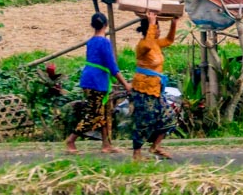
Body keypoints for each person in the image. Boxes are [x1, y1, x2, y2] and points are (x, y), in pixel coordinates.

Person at [65, 12, 131, 154]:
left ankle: (106, 145)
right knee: (94, 115)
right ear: (106, 25)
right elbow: (112, 66)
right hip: (96, 82)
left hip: (90, 79)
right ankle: (71, 140)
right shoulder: (104, 42)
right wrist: (126, 84)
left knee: (106, 113)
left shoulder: (91, 41)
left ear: (92, 26)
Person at [131, 9, 178, 161]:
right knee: (144, 121)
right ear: (150, 29)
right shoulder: (143, 45)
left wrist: (173, 24)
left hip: (155, 90)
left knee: (169, 117)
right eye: (157, 28)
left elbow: (169, 41)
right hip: (143, 90)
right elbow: (149, 43)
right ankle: (136, 154)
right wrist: (152, 23)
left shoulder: (156, 44)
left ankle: (155, 146)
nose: (158, 31)